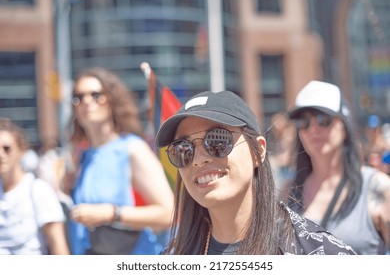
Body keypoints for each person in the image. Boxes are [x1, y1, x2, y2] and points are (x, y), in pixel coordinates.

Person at [154, 90, 356, 255]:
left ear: (258, 151)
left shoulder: (319, 253)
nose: (199, 160)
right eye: (183, 149)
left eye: (217, 140)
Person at [67, 67, 174, 255]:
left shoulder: (132, 148)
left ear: (112, 100)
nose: (87, 102)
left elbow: (168, 213)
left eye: (96, 95)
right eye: (79, 97)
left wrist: (111, 213)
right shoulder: (83, 155)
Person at [287, 80, 390, 254]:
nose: (313, 129)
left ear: (344, 125)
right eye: (303, 122)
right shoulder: (287, 192)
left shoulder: (378, 188)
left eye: (323, 119)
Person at [0, 118, 69, 254]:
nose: (1, 155)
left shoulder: (38, 190)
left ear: (21, 150)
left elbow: (58, 246)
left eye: (7, 149)